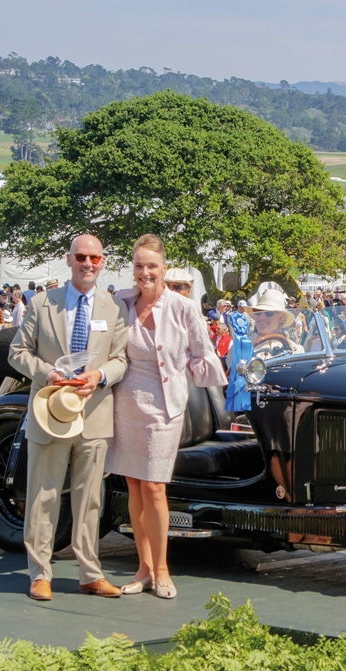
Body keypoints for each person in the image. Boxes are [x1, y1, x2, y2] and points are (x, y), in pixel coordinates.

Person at [8, 233, 130, 602]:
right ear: (68, 259)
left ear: (103, 262)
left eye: (94, 258)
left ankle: (90, 574)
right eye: (81, 257)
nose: (87, 264)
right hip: (51, 412)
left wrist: (100, 376)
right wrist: (47, 373)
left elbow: (121, 360)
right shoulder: (42, 303)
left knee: (90, 500)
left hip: (94, 415)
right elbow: (17, 352)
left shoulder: (115, 308)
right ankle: (39, 574)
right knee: (43, 497)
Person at [108, 234, 226, 600]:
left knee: (155, 488)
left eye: (152, 266)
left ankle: (162, 570)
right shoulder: (121, 302)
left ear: (164, 268)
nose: (145, 272)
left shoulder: (183, 307)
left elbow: (204, 356)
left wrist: (182, 376)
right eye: (139, 266)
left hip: (164, 410)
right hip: (126, 404)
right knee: (134, 486)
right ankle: (143, 568)